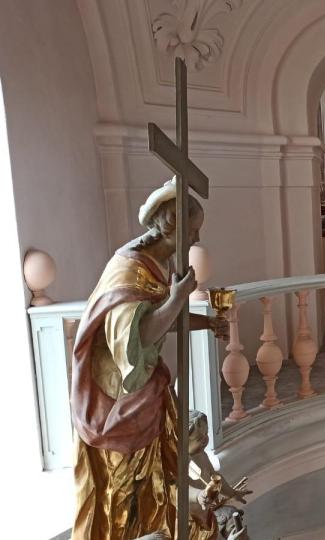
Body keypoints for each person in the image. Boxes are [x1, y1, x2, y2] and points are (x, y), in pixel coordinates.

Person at [70, 179, 228, 539]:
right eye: (194, 229)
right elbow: (134, 342)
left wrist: (204, 322)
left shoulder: (158, 263)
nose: (197, 237)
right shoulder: (126, 271)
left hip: (144, 395)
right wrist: (178, 297)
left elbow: (154, 321)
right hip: (115, 406)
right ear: (173, 225)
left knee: (154, 485)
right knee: (123, 497)